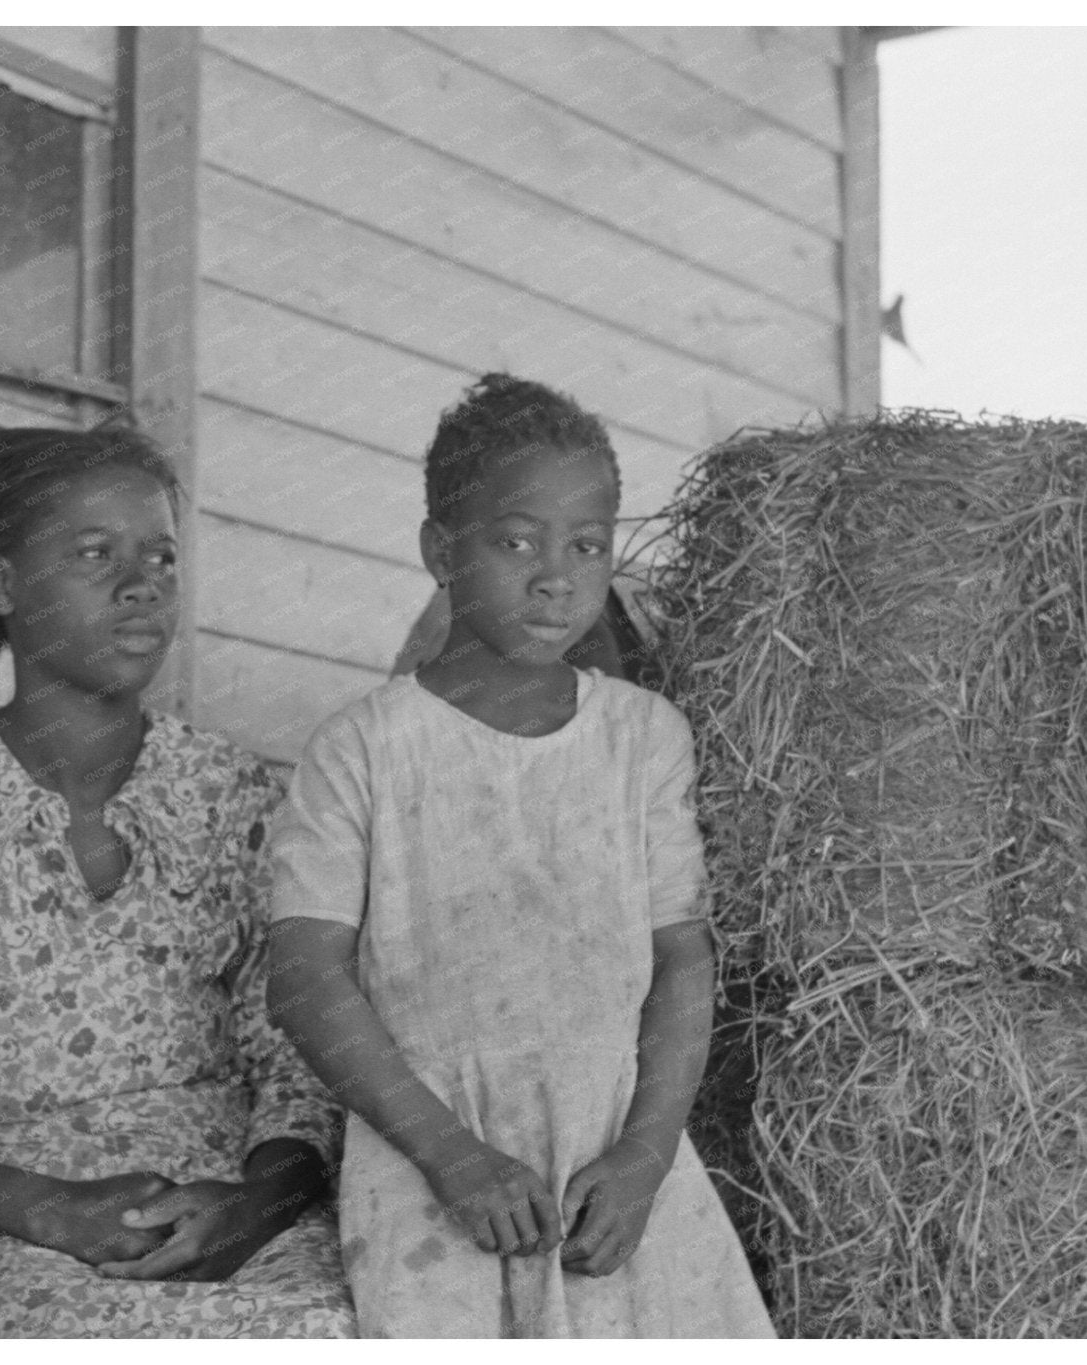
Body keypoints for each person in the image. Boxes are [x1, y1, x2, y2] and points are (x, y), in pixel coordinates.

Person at [0, 425, 356, 1337]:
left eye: (161, 558)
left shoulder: (237, 799)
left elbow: (299, 1054)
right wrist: (50, 1208)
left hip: (237, 1212)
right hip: (20, 1228)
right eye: (95, 553)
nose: (141, 584)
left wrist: (254, 1203)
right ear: (2, 585)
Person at [266, 375, 774, 1338]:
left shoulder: (642, 738)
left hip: (616, 1165)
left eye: (587, 544)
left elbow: (681, 956)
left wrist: (647, 1155)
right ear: (439, 551)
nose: (557, 575)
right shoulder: (365, 748)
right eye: (516, 540)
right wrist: (452, 1156)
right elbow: (303, 981)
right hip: (430, 1170)